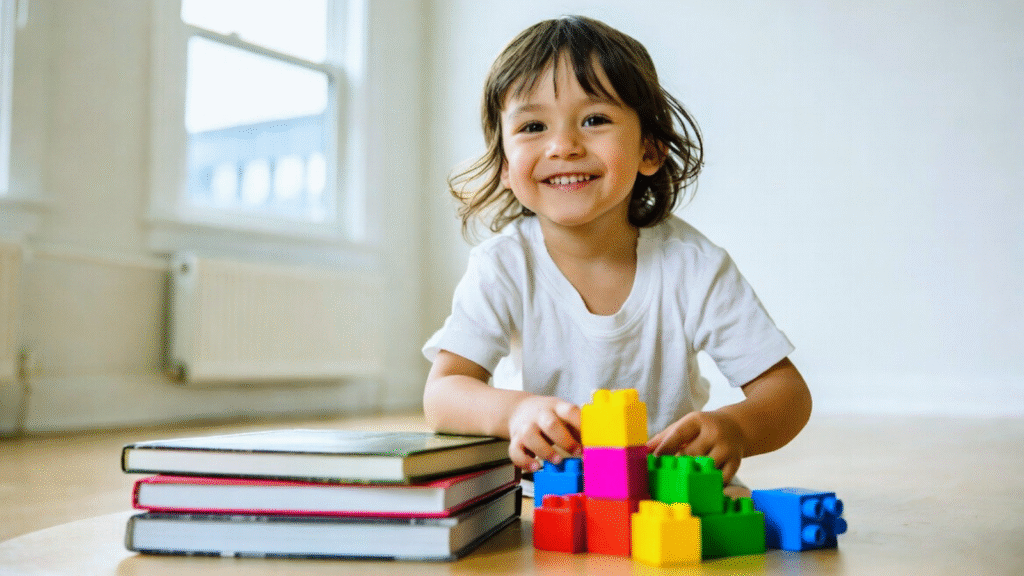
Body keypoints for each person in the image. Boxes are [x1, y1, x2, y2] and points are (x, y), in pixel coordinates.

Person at [422, 15, 811, 489]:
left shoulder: (694, 267)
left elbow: (787, 394)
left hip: (665, 494)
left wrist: (736, 427)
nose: (563, 145)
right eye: (533, 125)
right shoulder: (502, 266)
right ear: (506, 165)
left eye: (595, 120)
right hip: (547, 495)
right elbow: (442, 394)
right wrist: (516, 412)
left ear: (650, 148)